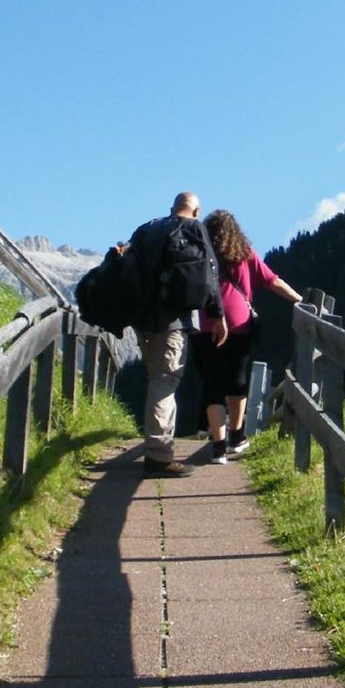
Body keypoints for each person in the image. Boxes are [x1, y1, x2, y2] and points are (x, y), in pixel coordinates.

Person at [126, 191, 224, 477]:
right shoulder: (195, 229)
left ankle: (155, 447)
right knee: (165, 382)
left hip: (142, 320)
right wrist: (216, 316)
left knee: (157, 379)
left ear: (172, 208)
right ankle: (158, 456)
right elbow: (210, 272)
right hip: (172, 320)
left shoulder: (147, 229)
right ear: (196, 211)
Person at [196, 209, 302, 461]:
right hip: (239, 324)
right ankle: (237, 436)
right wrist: (299, 299)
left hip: (205, 324)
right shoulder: (244, 253)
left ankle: (218, 446)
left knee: (213, 384)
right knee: (237, 380)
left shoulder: (200, 255)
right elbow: (272, 280)